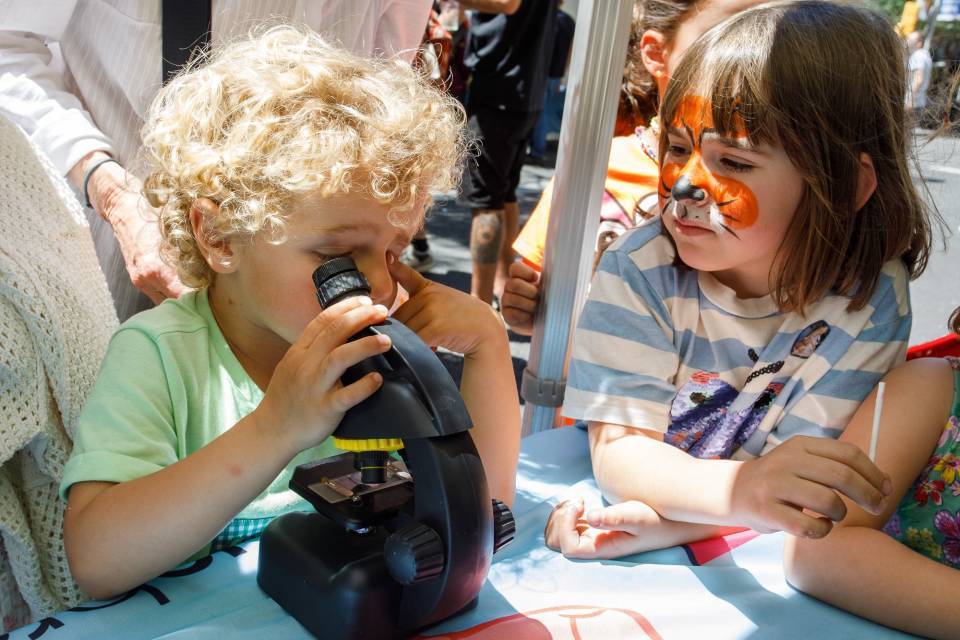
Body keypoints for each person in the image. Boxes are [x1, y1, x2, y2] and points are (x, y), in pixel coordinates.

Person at [58, 26, 521, 600]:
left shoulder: (376, 358)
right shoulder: (160, 356)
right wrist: (276, 428)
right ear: (220, 235)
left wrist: (489, 349)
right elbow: (95, 560)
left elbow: (481, 522)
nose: (377, 283)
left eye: (394, 253)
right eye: (337, 257)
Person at [544, 0, 936, 560]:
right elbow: (622, 455)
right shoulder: (639, 267)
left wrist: (678, 521)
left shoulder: (870, 300)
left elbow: (804, 487)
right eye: (677, 149)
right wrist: (739, 498)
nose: (684, 187)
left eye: (735, 161)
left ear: (847, 185)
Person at [0, 0, 433, 321]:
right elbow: (9, 46)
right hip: (113, 243)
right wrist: (111, 193)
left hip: (311, 293)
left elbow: (384, 88)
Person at [502, 0, 761, 336]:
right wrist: (528, 310)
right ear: (656, 53)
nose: (756, 54)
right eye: (730, 32)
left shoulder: (771, 178)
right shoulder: (596, 166)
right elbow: (539, 286)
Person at [459, 0, 559, 305]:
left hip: (499, 87)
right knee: (504, 194)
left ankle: (480, 303)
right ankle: (503, 284)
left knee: (486, 201)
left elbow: (505, 3)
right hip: (524, 89)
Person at [527, 6, 575, 165]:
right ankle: (537, 149)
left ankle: (537, 151)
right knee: (544, 110)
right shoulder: (568, 21)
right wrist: (564, 72)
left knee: (540, 112)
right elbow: (570, 51)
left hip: (542, 71)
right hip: (556, 73)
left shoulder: (548, 18)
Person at [906, 30, 933, 123]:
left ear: (919, 43)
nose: (907, 42)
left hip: (914, 102)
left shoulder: (918, 56)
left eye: (910, 40)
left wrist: (910, 100)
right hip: (918, 101)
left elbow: (918, 79)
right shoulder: (924, 55)